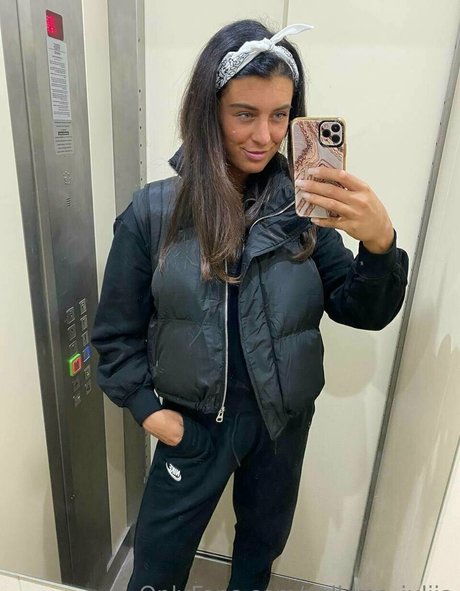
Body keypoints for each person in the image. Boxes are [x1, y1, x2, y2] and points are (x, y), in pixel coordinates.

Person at [92, 19, 409, 591]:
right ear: (209, 111)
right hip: (192, 425)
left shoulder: (305, 212)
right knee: (156, 564)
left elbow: (361, 310)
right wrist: (148, 411)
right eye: (245, 114)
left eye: (280, 115)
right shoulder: (154, 213)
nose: (264, 135)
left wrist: (379, 244)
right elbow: (115, 334)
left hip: (280, 427)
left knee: (258, 556)